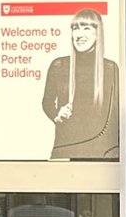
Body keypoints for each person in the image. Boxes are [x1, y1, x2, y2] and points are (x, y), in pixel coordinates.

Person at [41, 8, 119, 159]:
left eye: (86, 28)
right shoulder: (59, 65)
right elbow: (47, 102)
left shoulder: (110, 68)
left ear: (98, 33)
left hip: (101, 154)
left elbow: (117, 113)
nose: (79, 34)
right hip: (66, 150)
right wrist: (57, 114)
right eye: (75, 28)